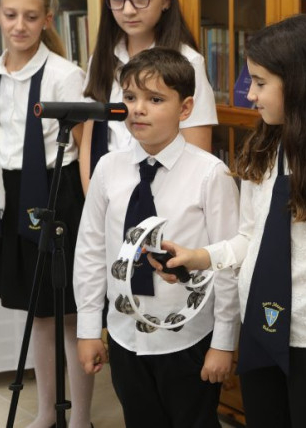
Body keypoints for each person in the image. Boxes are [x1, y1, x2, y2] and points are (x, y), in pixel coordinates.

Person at [153, 14, 306, 428]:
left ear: (301, 84)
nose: (249, 95)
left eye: (260, 82)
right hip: (259, 330)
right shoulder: (264, 151)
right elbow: (251, 238)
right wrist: (199, 257)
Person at [73, 48, 240, 428]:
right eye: (130, 97)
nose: (138, 109)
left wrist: (224, 342)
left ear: (186, 108)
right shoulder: (108, 168)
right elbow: (90, 251)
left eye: (155, 99)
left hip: (189, 336)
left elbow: (227, 262)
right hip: (124, 333)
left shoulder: (210, 174)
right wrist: (88, 329)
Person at [0, 0, 93, 428]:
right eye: (10, 15)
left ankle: (80, 417)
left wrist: (92, 212)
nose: (19, 25)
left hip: (59, 193)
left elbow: (84, 147)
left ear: (47, 20)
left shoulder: (65, 75)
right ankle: (46, 411)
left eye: (30, 16)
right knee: (38, 314)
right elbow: (0, 144)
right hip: (15, 194)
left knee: (69, 314)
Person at [79, 0, 218, 191]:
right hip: (108, 195)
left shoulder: (188, 62)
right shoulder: (101, 59)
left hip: (163, 196)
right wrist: (94, 199)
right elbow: (89, 142)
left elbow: (196, 158)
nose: (128, 10)